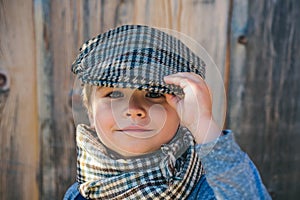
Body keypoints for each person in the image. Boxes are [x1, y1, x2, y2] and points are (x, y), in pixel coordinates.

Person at [64, 25, 271, 199]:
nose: (134, 110)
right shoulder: (80, 194)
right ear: (91, 112)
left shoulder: (206, 187)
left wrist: (204, 125)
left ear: (180, 112)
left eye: (154, 94)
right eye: (115, 94)